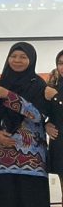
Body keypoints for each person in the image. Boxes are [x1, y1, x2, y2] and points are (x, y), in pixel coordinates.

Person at [0, 43, 56, 207]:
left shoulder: (38, 85)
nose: (17, 60)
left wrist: (9, 96)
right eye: (14, 56)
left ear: (31, 60)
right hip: (4, 157)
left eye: (23, 57)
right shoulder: (2, 83)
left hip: (32, 161)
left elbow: (38, 115)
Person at [47, 49, 63, 182]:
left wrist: (57, 98)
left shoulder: (54, 93)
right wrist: (45, 124)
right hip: (59, 144)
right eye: (60, 63)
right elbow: (41, 112)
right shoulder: (53, 88)